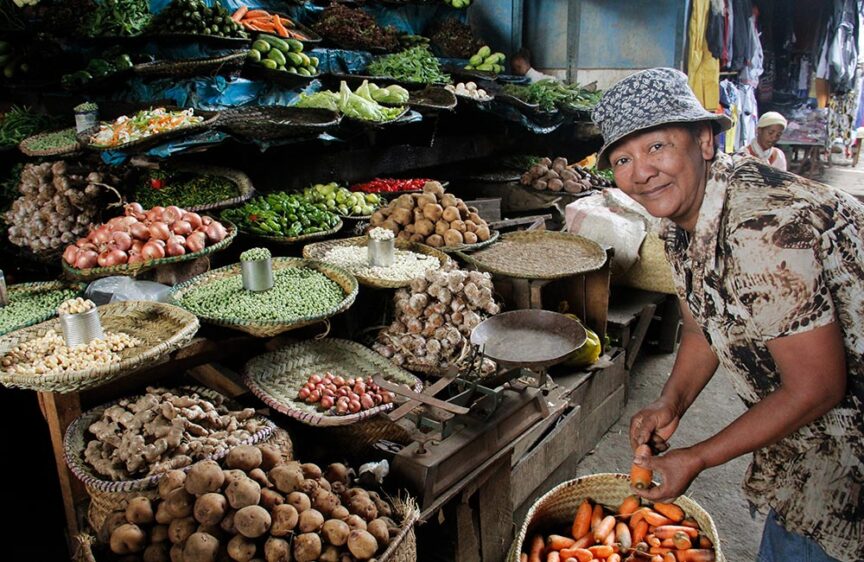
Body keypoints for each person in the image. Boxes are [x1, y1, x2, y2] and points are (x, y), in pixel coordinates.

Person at [591, 67, 863, 562]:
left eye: (656, 147)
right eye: (622, 159)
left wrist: (697, 457)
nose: (640, 172)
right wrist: (670, 403)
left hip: (850, 457)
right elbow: (703, 326)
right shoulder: (680, 223)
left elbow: (818, 387)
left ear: (704, 141)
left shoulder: (764, 227)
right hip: (808, 448)